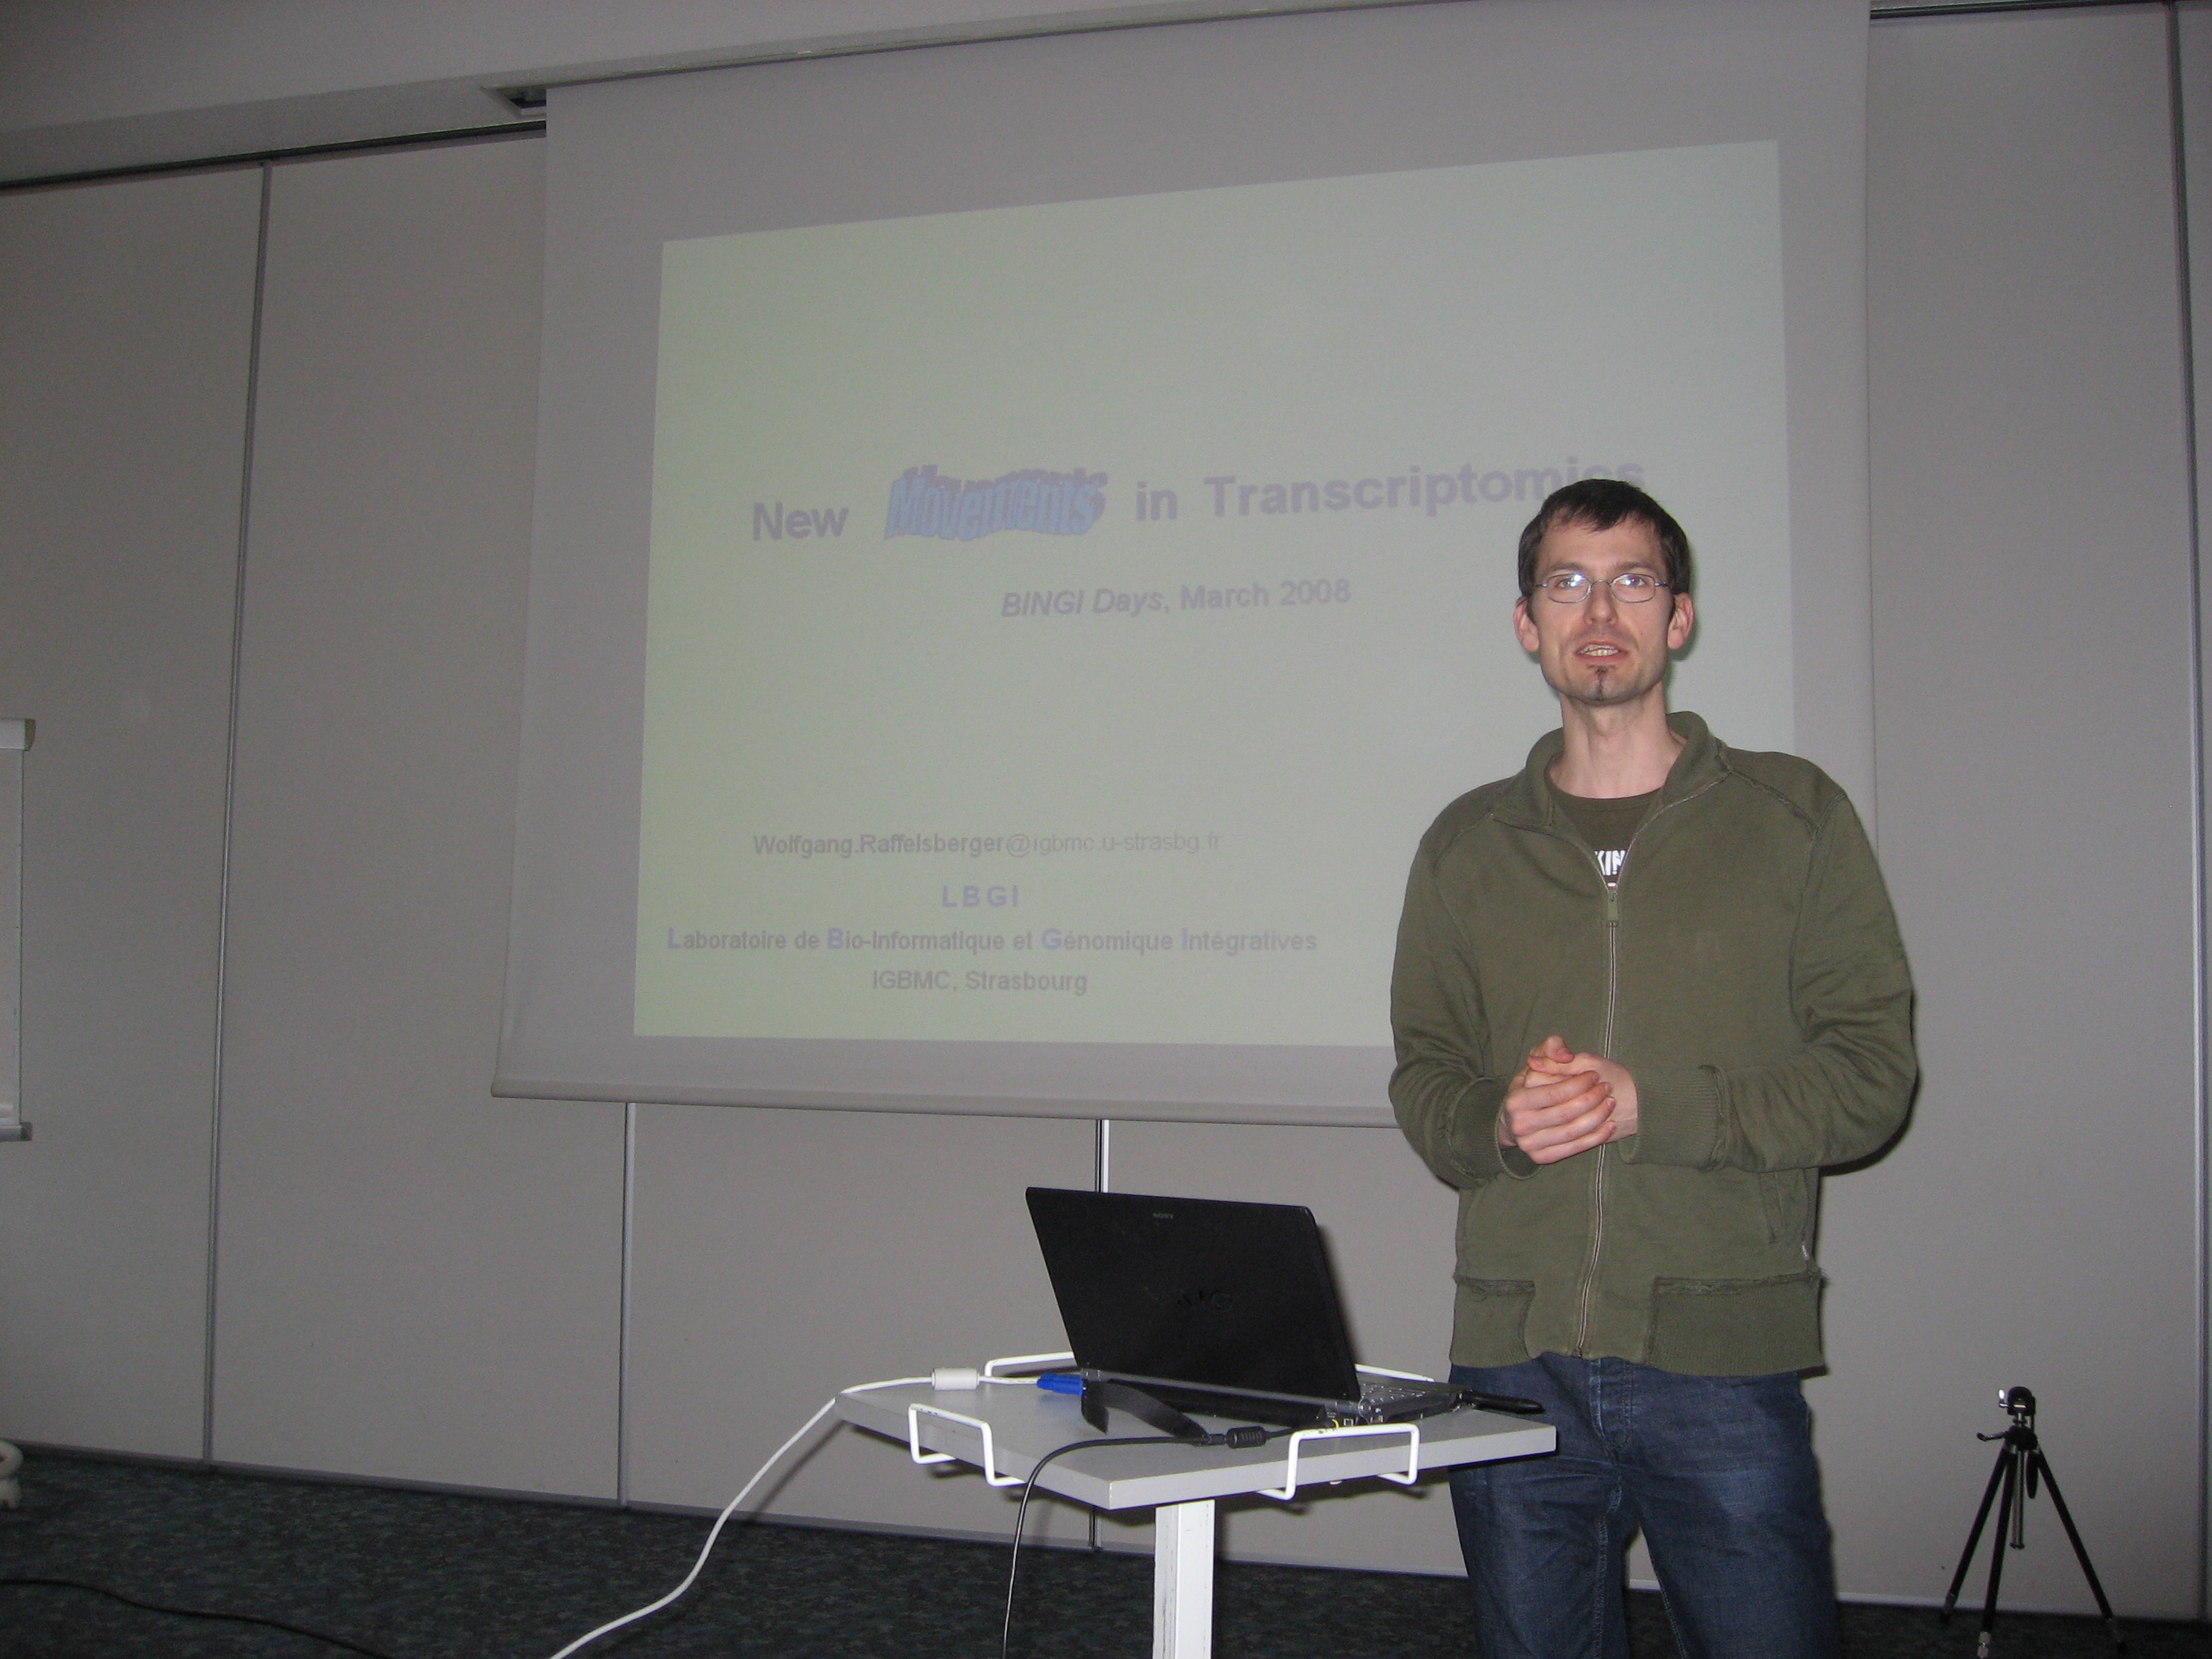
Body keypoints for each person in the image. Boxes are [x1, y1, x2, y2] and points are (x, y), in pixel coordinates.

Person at [1390, 478, 1915, 1659]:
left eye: (1631, 581)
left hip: (1720, 1360)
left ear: (1678, 617)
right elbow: (1424, 1077)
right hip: (1514, 1360)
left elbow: (1872, 1076)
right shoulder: (1466, 845)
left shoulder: (1793, 816)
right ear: (1527, 623)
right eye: (1566, 584)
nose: (1598, 612)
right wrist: (1499, 1123)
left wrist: (1653, 1106)